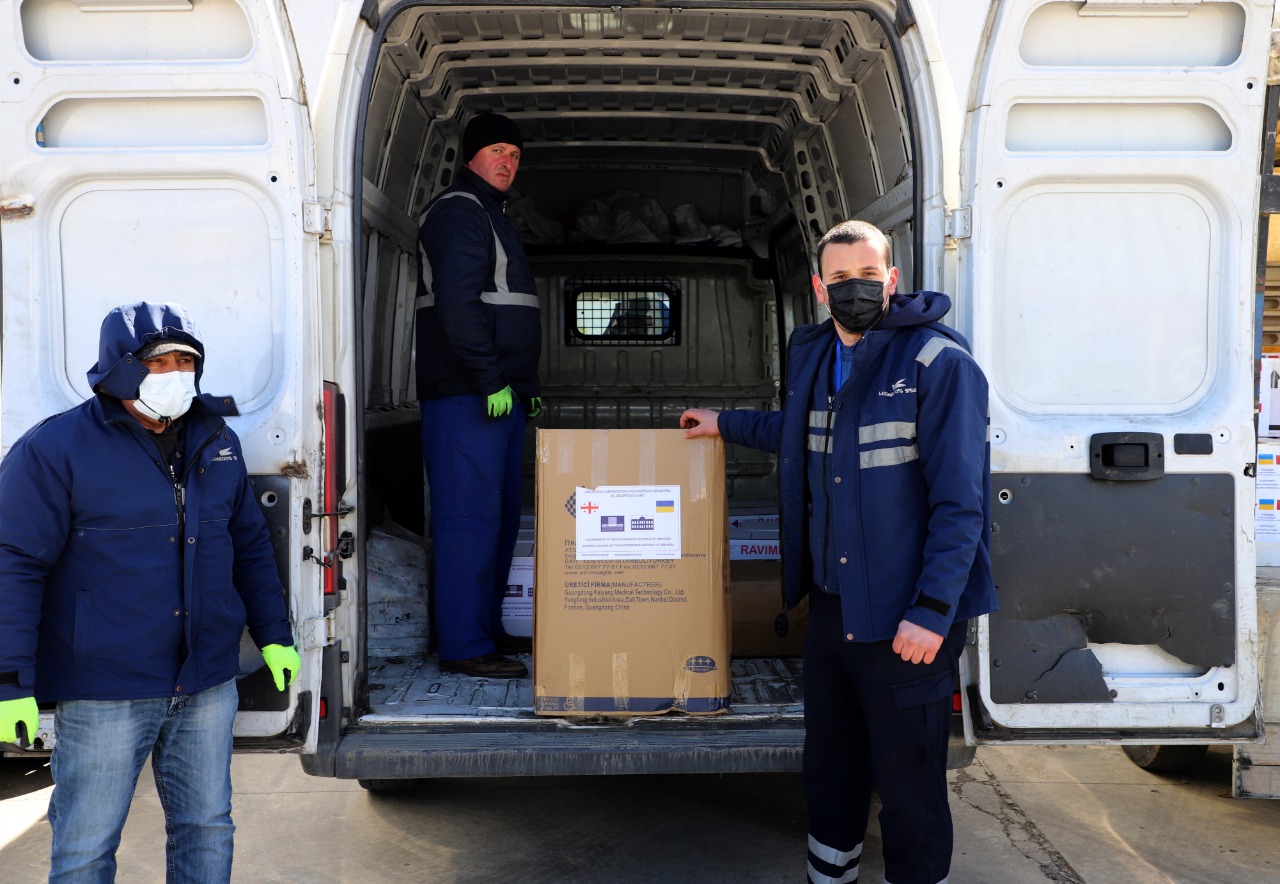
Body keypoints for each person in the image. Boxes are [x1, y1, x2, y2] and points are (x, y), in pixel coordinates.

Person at [680, 220, 997, 884]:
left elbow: (961, 505)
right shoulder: (817, 355)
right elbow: (798, 431)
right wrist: (724, 423)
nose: (855, 289)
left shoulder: (939, 364)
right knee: (830, 768)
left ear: (892, 279)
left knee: (909, 783)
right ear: (820, 288)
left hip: (906, 621)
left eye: (868, 276)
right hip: (831, 608)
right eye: (841, 279)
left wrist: (932, 611)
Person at [0, 302, 300, 883]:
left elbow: (249, 547)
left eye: (185, 362)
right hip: (105, 687)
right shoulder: (56, 448)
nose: (176, 375)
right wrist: (10, 680)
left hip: (205, 682)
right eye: (159, 363)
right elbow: (13, 564)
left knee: (206, 828)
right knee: (86, 846)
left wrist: (274, 635)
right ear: (121, 368)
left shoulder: (217, 441)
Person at [415, 112, 541, 679]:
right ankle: (464, 646)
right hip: (466, 395)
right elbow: (459, 307)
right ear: (470, 157)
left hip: (497, 396)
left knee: (498, 520)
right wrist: (492, 381)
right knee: (468, 522)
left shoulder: (490, 213)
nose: (507, 162)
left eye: (514, 154)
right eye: (496, 151)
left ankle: (485, 633)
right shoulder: (459, 211)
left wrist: (525, 388)